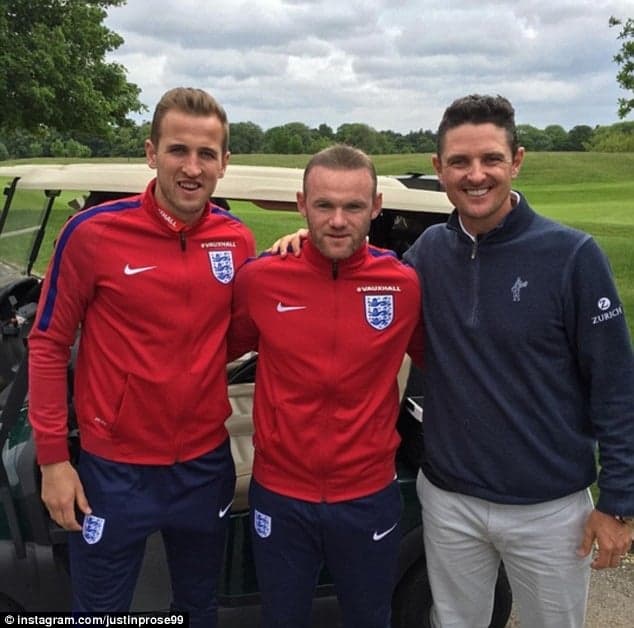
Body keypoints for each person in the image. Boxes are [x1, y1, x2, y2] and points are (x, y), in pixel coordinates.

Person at [402, 94, 634, 627]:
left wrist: (618, 502)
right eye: (459, 162)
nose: (475, 174)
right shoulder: (428, 252)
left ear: (517, 161)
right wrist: (301, 244)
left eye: (490, 159)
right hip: (448, 499)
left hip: (548, 508)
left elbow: (616, 387)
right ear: (439, 169)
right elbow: (364, 279)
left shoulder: (573, 255)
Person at [28, 87, 256, 626]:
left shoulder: (238, 241)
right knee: (101, 610)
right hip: (116, 469)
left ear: (224, 162)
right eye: (178, 150)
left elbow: (241, 335)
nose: (192, 167)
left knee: (198, 607)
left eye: (206, 154)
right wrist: (54, 460)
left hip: (204, 464)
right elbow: (47, 342)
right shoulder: (92, 233)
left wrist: (299, 245)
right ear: (151, 152)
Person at [228, 144, 423, 628]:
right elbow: (213, 351)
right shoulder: (262, 279)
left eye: (353, 206)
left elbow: (444, 361)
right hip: (280, 494)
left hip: (367, 495)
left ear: (375, 208)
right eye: (324, 205)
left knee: (368, 617)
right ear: (302, 204)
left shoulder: (402, 285)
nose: (338, 220)